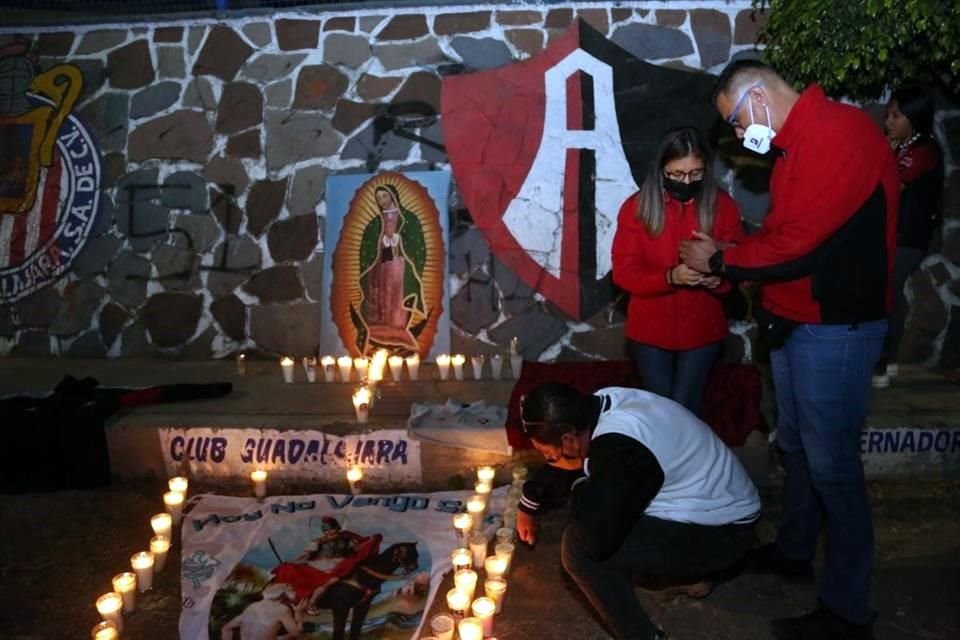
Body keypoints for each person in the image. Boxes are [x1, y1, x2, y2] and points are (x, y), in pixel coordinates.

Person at [679, 59, 899, 640]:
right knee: (798, 446)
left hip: (837, 327)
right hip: (798, 321)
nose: (734, 135)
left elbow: (800, 247)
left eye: (734, 121)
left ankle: (847, 611)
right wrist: (729, 258)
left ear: (757, 96)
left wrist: (722, 261)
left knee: (833, 467)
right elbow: (781, 234)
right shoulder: (796, 147)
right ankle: (796, 551)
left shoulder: (839, 134)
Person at [516, 382, 760, 640]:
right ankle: (689, 576)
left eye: (548, 454)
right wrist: (529, 502)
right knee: (601, 506)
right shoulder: (599, 405)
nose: (549, 461)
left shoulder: (621, 449)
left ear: (568, 438)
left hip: (725, 533)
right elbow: (576, 461)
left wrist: (579, 482)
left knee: (578, 550)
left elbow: (596, 540)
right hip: (714, 508)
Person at [612, 127, 744, 416]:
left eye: (695, 173)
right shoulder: (636, 208)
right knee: (659, 412)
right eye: (677, 174)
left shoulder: (724, 207)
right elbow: (624, 273)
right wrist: (670, 277)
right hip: (649, 332)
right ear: (662, 170)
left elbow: (739, 269)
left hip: (703, 331)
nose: (687, 181)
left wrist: (716, 280)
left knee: (687, 411)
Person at [872, 86, 944, 388]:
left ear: (914, 118)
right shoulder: (901, 146)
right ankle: (881, 361)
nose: (888, 121)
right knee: (885, 295)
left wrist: (884, 155)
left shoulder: (922, 151)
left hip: (907, 239)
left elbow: (889, 189)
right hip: (892, 236)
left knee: (888, 296)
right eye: (888, 114)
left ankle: (883, 364)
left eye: (896, 115)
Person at [358, 184, 427, 353]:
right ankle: (379, 327)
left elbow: (417, 243)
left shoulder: (408, 219)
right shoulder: (375, 222)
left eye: (384, 196)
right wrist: (381, 242)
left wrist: (399, 240)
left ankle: (397, 328)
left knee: (396, 293)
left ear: (393, 196)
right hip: (380, 263)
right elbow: (366, 245)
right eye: (379, 198)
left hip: (400, 263)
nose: (382, 201)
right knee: (380, 291)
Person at [220, 582, 305, 640]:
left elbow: (226, 629)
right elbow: (296, 633)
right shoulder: (281, 609)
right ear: (283, 597)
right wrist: (299, 612)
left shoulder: (252, 607)